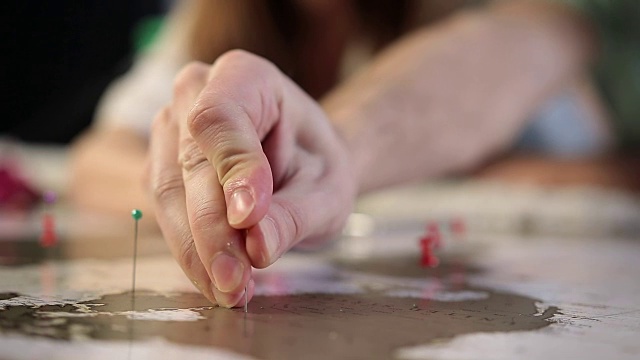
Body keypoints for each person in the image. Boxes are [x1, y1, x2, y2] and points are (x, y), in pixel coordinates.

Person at [70, 0, 624, 308]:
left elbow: (536, 46)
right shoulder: (205, 21)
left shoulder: (489, 20)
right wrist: (195, 188)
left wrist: (330, 149)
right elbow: (95, 158)